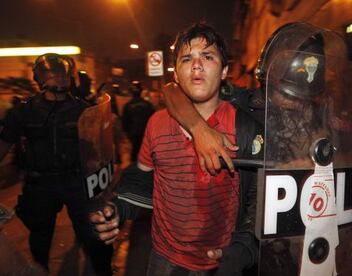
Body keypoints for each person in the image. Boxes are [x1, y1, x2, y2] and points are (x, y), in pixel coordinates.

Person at [90, 23, 261, 275]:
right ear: (176, 75)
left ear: (224, 70)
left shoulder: (245, 127)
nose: (196, 65)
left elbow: (260, 196)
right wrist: (117, 208)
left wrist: (245, 248)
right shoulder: (156, 123)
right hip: (163, 259)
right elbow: (143, 177)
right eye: (186, 58)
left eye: (208, 56)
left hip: (222, 261)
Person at [0, 53, 113, 275]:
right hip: (40, 185)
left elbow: (100, 148)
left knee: (94, 237)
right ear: (39, 78)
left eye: (62, 75)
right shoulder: (24, 111)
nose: (59, 79)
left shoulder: (84, 109)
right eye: (52, 75)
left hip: (77, 182)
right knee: (39, 241)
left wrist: (102, 185)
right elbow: (4, 144)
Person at [121, 81, 154, 162]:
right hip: (145, 133)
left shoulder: (128, 106)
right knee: (146, 151)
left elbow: (125, 122)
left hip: (134, 134)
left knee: (135, 152)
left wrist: (127, 133)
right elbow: (153, 119)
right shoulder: (147, 105)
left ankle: (136, 169)